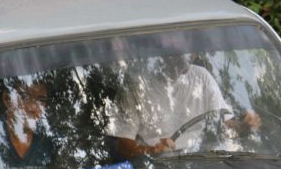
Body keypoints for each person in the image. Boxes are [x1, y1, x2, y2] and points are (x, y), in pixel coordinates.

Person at [107, 54, 260, 159]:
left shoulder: (202, 77)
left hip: (205, 161)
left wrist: (246, 126)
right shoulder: (136, 86)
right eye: (178, 44)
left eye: (191, 46)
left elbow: (227, 124)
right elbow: (123, 145)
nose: (187, 53)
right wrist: (152, 151)